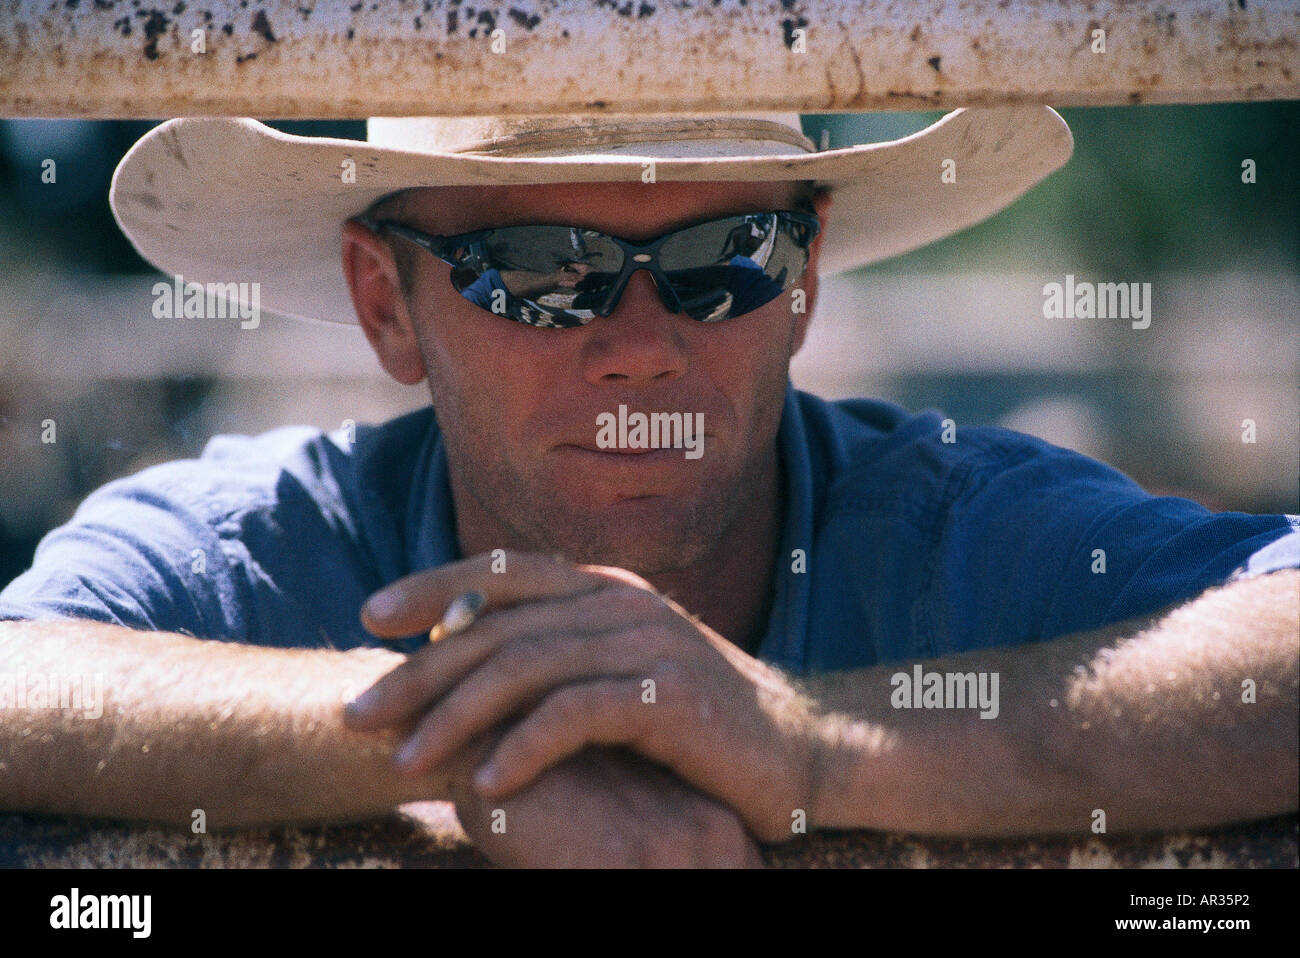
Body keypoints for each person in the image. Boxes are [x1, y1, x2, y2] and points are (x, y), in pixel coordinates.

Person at [0, 108, 1295, 868]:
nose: (637, 341)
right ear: (384, 302)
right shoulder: (252, 546)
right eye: (537, 269)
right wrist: (475, 741)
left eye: (727, 258)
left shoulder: (951, 531)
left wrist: (800, 739)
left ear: (805, 278)